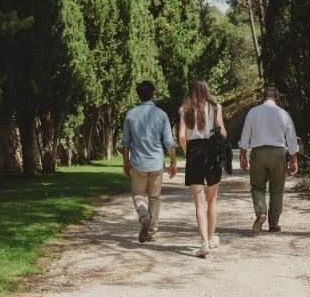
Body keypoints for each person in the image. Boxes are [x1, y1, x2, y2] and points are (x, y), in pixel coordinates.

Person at [121, 81, 177, 243]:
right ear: (153, 93)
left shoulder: (130, 114)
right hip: (156, 163)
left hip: (138, 162)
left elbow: (126, 142)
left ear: (138, 95)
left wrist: (126, 161)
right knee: (154, 198)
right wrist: (173, 162)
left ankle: (143, 216)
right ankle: (151, 231)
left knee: (138, 194)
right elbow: (169, 142)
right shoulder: (161, 114)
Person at [238, 87, 299, 235]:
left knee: (257, 187)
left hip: (258, 154)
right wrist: (293, 160)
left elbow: (245, 135)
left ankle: (261, 213)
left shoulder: (253, 112)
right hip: (278, 154)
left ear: (263, 98)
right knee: (277, 191)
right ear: (277, 98)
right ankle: (273, 224)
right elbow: (291, 139)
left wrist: (242, 156)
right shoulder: (283, 114)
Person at [178, 80, 228, 258]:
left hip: (194, 153)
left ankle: (204, 242)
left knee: (199, 201)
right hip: (212, 154)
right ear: (207, 91)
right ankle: (212, 237)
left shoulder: (185, 109)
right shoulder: (215, 108)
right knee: (212, 199)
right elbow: (223, 133)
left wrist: (188, 152)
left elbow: (182, 136)